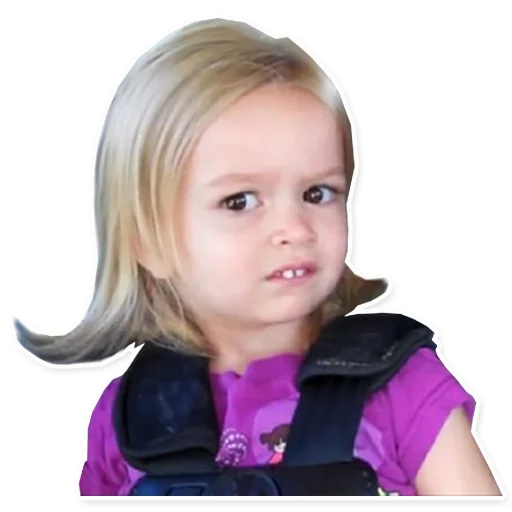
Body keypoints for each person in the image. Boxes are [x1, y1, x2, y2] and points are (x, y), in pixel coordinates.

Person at [12, 17, 500, 498]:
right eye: (240, 201)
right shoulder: (129, 417)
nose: (295, 228)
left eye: (317, 193)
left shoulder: (403, 385)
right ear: (149, 242)